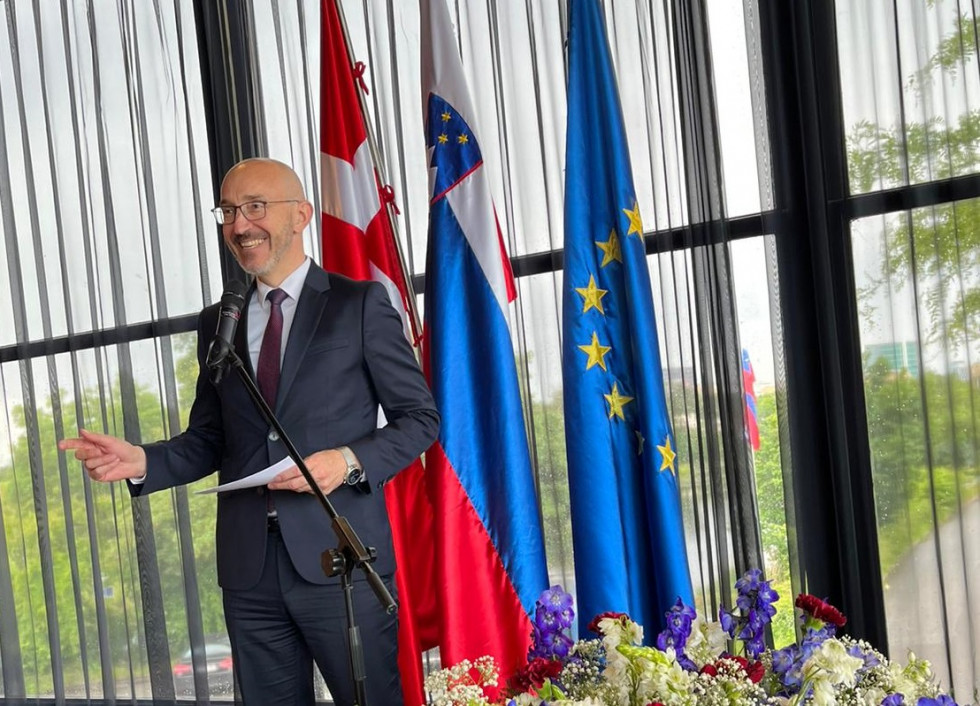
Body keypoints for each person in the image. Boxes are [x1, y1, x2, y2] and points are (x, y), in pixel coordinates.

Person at [59, 158, 439, 706]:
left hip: (340, 564)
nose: (240, 225)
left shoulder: (358, 305)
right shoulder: (219, 321)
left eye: (255, 207)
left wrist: (346, 461)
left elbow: (420, 420)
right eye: (229, 211)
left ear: (301, 215)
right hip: (249, 572)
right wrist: (140, 460)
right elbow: (211, 439)